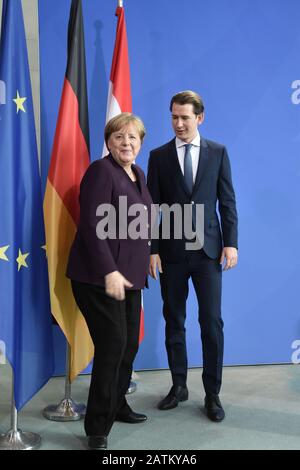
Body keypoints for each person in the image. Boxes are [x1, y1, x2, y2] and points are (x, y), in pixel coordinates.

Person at [147, 91, 238, 422]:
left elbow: (227, 201)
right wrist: (152, 250)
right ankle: (178, 386)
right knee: (175, 320)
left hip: (208, 252)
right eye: (174, 116)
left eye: (185, 117)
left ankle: (212, 394)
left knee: (211, 322)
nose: (179, 123)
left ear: (200, 118)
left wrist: (232, 243)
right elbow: (152, 209)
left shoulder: (218, 152)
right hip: (171, 254)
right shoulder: (158, 157)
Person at [67, 113, 153, 450]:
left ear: (140, 143)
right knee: (113, 344)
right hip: (97, 278)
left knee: (129, 345)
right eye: (119, 137)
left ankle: (117, 405)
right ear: (109, 141)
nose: (127, 143)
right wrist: (109, 271)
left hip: (130, 278)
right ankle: (97, 427)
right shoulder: (101, 172)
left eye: (133, 138)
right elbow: (91, 226)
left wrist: (148, 256)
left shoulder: (139, 174)